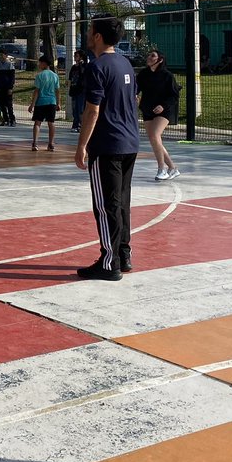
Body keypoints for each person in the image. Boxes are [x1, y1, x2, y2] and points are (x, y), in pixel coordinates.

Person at [74, 15, 140, 281]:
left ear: (98, 36)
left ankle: (109, 263)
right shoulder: (125, 63)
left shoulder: (97, 67)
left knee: (106, 206)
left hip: (107, 145)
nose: (88, 34)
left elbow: (92, 110)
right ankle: (123, 255)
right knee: (121, 203)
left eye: (91, 30)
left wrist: (82, 146)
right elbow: (134, 99)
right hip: (130, 142)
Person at [136, 49, 181, 181]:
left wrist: (163, 106)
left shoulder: (167, 76)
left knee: (155, 135)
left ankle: (162, 169)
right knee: (154, 139)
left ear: (160, 60)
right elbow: (136, 88)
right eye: (149, 55)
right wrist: (134, 95)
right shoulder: (143, 74)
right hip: (148, 109)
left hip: (165, 110)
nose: (149, 57)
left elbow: (174, 95)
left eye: (152, 56)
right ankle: (172, 168)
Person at [28, 54, 60, 151]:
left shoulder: (39, 76)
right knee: (51, 123)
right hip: (52, 102)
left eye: (40, 63)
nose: (39, 65)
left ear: (44, 63)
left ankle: (35, 143)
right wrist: (58, 103)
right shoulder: (55, 76)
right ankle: (51, 143)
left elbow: (36, 91)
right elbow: (57, 91)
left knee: (37, 123)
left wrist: (32, 104)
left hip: (41, 102)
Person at [0, 47, 16, 127]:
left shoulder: (10, 65)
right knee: (2, 105)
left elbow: (12, 78)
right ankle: (5, 119)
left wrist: (10, 88)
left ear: (6, 55)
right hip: (0, 87)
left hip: (7, 87)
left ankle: (12, 120)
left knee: (9, 104)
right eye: (0, 55)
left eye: (2, 54)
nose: (1, 56)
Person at [68, 49, 88, 131]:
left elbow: (84, 74)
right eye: (74, 56)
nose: (74, 58)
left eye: (76, 56)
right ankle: (75, 124)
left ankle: (81, 125)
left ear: (81, 57)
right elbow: (70, 78)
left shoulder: (84, 66)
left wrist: (81, 64)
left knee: (80, 109)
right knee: (74, 108)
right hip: (74, 90)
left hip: (81, 91)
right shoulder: (73, 67)